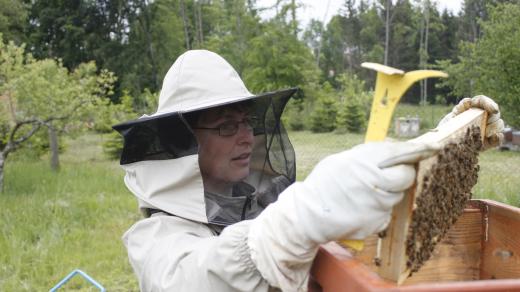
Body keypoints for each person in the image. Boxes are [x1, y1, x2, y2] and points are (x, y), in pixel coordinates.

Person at [113, 50, 504, 291]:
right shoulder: (154, 240)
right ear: (183, 143)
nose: (247, 137)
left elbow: (355, 205)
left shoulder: (254, 203)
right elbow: (199, 279)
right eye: (227, 126)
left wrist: (437, 146)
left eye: (247, 122)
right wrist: (297, 220)